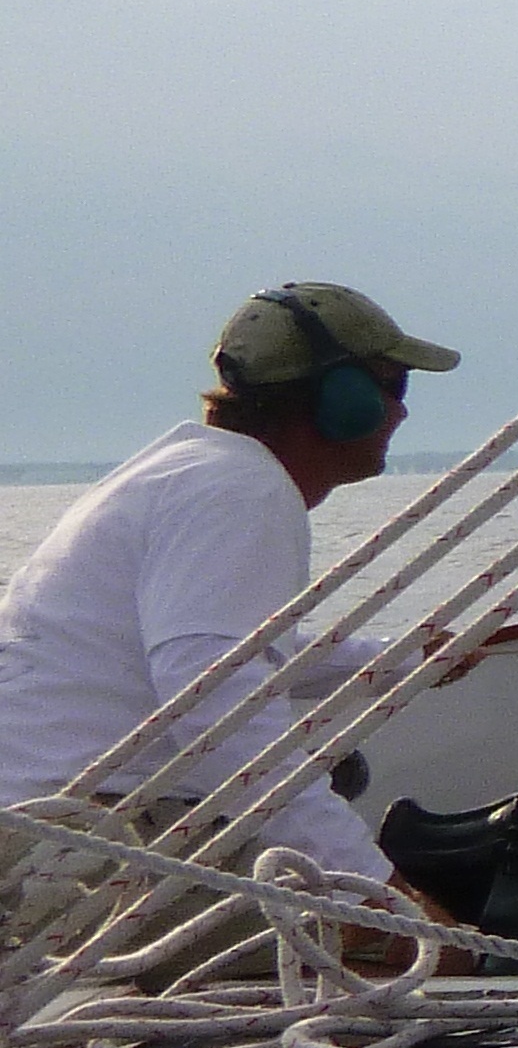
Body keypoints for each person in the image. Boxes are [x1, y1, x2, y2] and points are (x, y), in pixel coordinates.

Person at [0, 283, 461, 892]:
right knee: (399, 957)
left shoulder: (199, 473)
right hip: (79, 848)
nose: (402, 412)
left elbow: (240, 659)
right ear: (340, 398)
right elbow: (215, 700)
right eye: (393, 386)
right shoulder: (242, 492)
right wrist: (377, 895)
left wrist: (399, 659)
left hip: (54, 823)